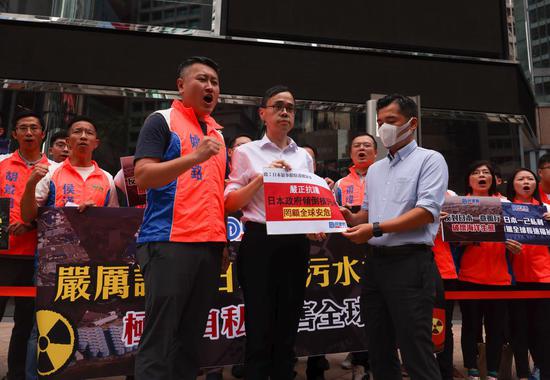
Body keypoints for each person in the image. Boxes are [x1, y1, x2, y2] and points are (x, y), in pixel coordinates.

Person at [132, 56, 226, 380]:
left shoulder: (218, 134)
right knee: (160, 339)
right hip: (168, 243)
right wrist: (194, 156)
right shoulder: (162, 121)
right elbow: (143, 176)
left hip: (209, 248)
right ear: (181, 85)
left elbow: (214, 195)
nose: (210, 87)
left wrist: (222, 242)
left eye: (215, 82)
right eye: (202, 79)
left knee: (189, 342)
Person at [341, 94, 447, 380]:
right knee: (378, 346)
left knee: (416, 348)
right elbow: (367, 212)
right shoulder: (376, 169)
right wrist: (350, 218)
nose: (383, 128)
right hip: (375, 265)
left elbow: (426, 212)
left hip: (410, 263)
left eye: (391, 121)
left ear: (412, 123)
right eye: (379, 122)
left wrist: (375, 229)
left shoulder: (430, 160)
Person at [224, 85, 314, 379]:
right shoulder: (245, 153)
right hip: (260, 239)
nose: (285, 112)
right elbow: (230, 202)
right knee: (259, 318)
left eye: (290, 107)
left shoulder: (304, 156)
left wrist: (317, 225)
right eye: (278, 106)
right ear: (263, 113)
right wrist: (262, 179)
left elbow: (309, 200)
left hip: (296, 241)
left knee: (289, 317)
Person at [21, 116, 118, 380]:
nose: (83, 136)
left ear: (96, 142)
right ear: (68, 140)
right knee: (42, 327)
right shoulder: (51, 173)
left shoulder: (107, 179)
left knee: (83, 325)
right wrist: (31, 184)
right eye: (78, 132)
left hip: (90, 267)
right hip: (51, 267)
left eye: (89, 132)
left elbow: (115, 225)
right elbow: (28, 216)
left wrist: (97, 217)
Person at [0, 110, 52, 380]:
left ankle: (16, 374)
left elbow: (55, 213)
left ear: (43, 134)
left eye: (34, 128)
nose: (29, 132)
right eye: (23, 128)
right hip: (3, 255)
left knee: (25, 324)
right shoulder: (1, 164)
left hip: (36, 257)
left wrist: (29, 225)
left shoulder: (54, 170)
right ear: (15, 134)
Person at [455, 161, 514, 380]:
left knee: (496, 327)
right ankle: (471, 367)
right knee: (470, 325)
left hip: (499, 276)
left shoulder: (506, 204)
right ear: (469, 179)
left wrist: (514, 243)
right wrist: (462, 240)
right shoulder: (459, 204)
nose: (481, 176)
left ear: (493, 179)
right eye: (476, 172)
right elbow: (452, 242)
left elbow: (518, 235)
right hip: (469, 274)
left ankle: (492, 370)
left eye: (486, 172)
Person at [332, 133, 377, 380]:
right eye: (357, 146)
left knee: (374, 306)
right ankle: (357, 354)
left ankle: (371, 358)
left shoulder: (383, 177)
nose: (361, 149)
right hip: (349, 252)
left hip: (379, 245)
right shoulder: (340, 184)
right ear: (350, 153)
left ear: (375, 152)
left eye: (367, 145)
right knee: (352, 302)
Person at [505, 168, 550, 380]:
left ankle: (542, 368)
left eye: (530, 179)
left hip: (544, 278)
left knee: (543, 329)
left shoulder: (546, 209)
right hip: (513, 279)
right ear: (512, 184)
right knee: (519, 330)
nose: (526, 182)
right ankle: (522, 372)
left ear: (536, 183)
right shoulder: (504, 208)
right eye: (520, 179)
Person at [433, 190, 458, 380]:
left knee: (442, 324)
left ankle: (445, 371)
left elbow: (459, 237)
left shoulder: (450, 196)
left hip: (444, 269)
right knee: (412, 323)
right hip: (410, 268)